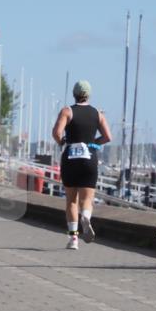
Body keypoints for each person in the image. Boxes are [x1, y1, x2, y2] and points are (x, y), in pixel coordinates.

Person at [51, 80, 112, 249]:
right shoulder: (97, 114)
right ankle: (86, 216)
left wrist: (62, 141)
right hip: (89, 158)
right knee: (87, 199)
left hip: (70, 157)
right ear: (89, 94)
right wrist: (94, 142)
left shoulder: (67, 111)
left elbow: (56, 132)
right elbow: (108, 137)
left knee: (71, 200)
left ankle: (73, 240)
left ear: (74, 94)